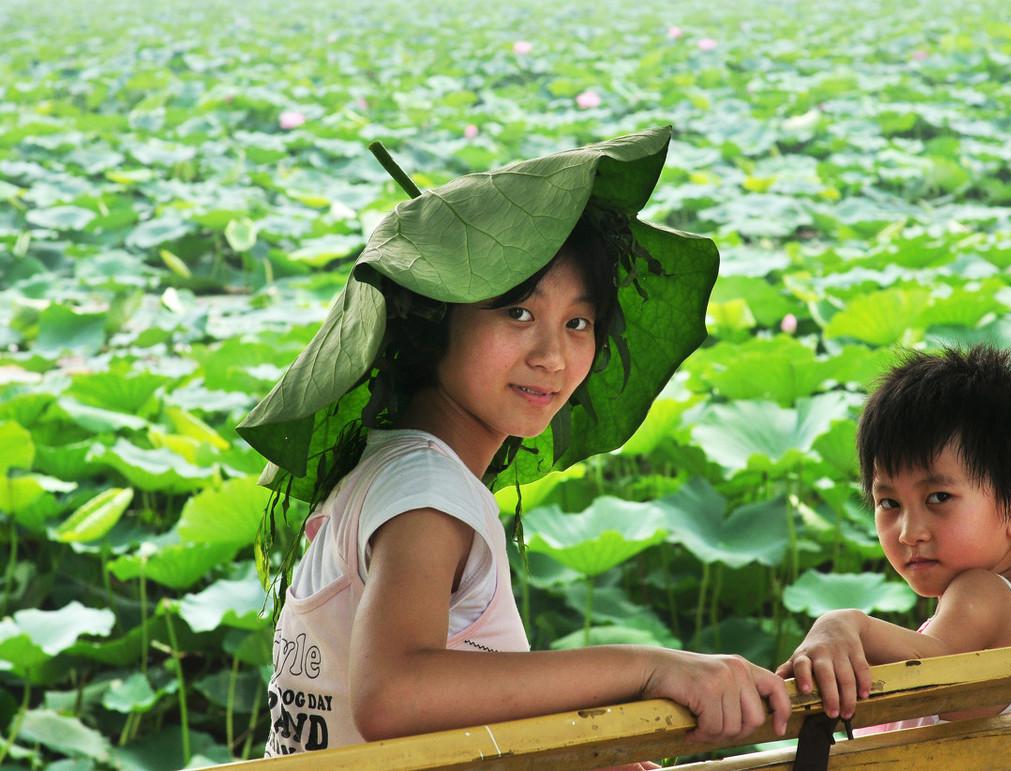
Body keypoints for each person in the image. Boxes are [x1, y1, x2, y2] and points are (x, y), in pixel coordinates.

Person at [238, 127, 790, 758]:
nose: (553, 356)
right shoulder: (426, 490)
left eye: (578, 323)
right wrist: (648, 668)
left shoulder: (383, 469)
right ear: (432, 317)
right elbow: (393, 694)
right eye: (518, 313)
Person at [777, 345, 1011, 771]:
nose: (908, 532)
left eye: (938, 497)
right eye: (889, 504)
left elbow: (935, 666)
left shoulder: (987, 594)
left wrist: (845, 624)